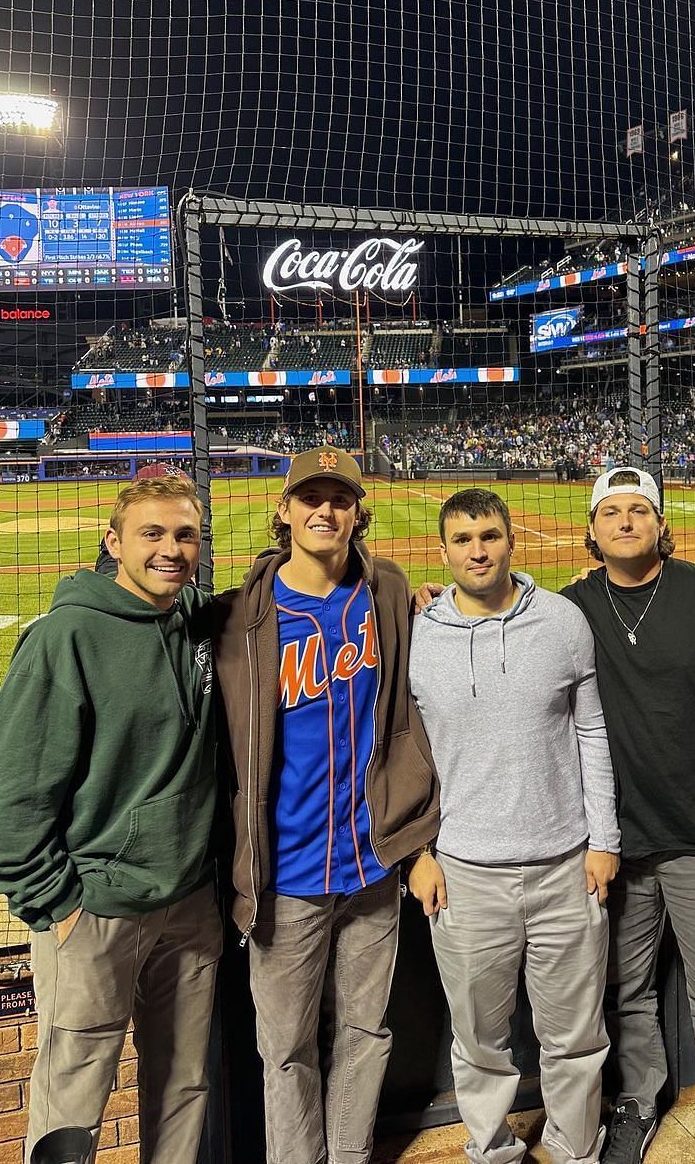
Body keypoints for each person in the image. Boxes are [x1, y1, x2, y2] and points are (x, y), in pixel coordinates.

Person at [0, 475, 222, 1163]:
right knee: (73, 1097)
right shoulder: (66, 637)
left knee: (183, 1085)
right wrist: (58, 906)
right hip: (94, 913)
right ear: (114, 541)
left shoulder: (197, 620)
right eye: (152, 533)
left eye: (184, 535)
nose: (171, 549)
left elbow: (280, 606)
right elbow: (4, 804)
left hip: (189, 906)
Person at [211, 446, 439, 1164]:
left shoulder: (388, 593)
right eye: (310, 497)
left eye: (339, 499)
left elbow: (413, 710)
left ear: (356, 513)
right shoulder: (242, 614)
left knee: (368, 1033)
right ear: (284, 511)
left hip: (373, 865)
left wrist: (418, 844)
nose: (325, 510)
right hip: (287, 875)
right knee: (285, 1050)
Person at [408, 488, 620, 1164]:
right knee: (478, 1041)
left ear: (510, 540)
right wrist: (418, 851)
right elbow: (400, 751)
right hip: (464, 876)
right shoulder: (417, 636)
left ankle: (575, 1148)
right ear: (442, 549)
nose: (478, 550)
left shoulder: (562, 621)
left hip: (566, 865)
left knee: (576, 1037)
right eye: (464, 540)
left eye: (490, 536)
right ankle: (493, 1149)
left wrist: (605, 839)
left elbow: (592, 730)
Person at [562, 467, 695, 1164]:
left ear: (659, 524)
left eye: (638, 510)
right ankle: (639, 1098)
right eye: (610, 511)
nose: (624, 521)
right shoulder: (570, 609)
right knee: (625, 985)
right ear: (591, 530)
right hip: (616, 837)